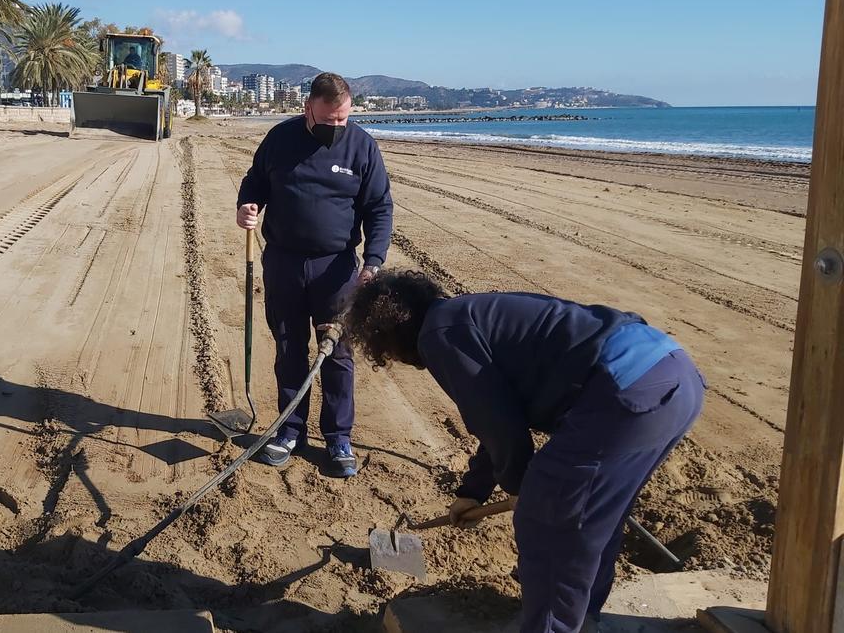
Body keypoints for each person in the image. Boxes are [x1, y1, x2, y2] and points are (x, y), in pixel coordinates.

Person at [344, 271, 704, 633]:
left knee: (548, 520)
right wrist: (473, 492)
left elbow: (497, 423)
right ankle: (583, 619)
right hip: (673, 377)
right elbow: (499, 416)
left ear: (388, 332)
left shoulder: (440, 334)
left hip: (624, 391)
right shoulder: (464, 316)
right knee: (595, 518)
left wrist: (521, 489)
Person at [236, 72, 394, 478]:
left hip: (336, 267)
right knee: (289, 348)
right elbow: (254, 183)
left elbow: (379, 207)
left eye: (343, 119)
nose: (336, 128)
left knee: (337, 354)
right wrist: (248, 206)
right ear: (308, 108)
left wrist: (373, 260)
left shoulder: (362, 146)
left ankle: (338, 436)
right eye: (328, 121)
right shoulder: (280, 139)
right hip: (284, 263)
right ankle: (290, 431)